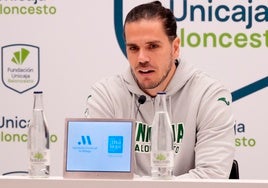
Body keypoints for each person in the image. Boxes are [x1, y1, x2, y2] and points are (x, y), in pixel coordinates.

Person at [85, 1, 235, 179]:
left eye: (153, 46)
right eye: (133, 48)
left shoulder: (208, 95)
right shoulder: (106, 95)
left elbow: (212, 176)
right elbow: (95, 172)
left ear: (175, 47)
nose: (142, 58)